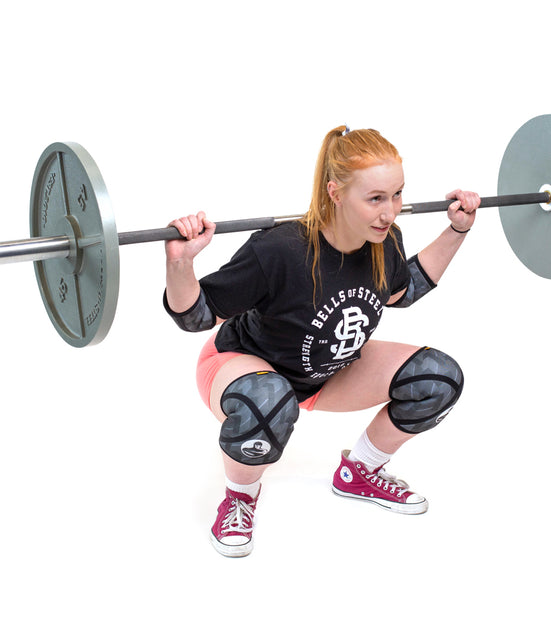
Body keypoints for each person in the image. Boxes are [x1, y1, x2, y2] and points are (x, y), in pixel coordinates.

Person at [164, 126, 480, 558]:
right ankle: (239, 498)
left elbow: (405, 290)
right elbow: (194, 315)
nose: (389, 213)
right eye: (375, 198)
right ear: (335, 192)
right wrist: (180, 263)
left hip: (325, 372)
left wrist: (457, 230)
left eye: (397, 195)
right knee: (268, 399)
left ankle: (360, 472)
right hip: (242, 367)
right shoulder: (279, 251)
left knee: (437, 380)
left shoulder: (383, 243)